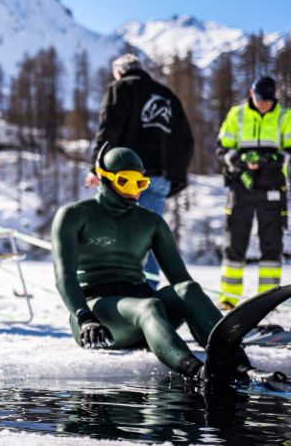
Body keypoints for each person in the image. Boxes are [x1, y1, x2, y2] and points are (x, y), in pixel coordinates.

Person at [54, 146, 282, 386]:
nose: (134, 192)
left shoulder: (150, 222)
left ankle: (242, 367)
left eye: (140, 183)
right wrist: (84, 317)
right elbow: (64, 275)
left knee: (188, 290)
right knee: (149, 306)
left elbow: (181, 281)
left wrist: (206, 317)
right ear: (104, 178)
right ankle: (196, 372)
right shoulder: (74, 215)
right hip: (99, 317)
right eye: (125, 182)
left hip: (144, 314)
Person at [84, 53, 193, 288]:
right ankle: (147, 291)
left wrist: (96, 167)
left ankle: (111, 289)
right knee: (149, 233)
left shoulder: (121, 88)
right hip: (160, 176)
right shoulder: (167, 95)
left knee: (112, 230)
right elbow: (185, 140)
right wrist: (176, 176)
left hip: (124, 176)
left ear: (120, 72)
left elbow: (109, 129)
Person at [217, 76, 291, 310]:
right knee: (235, 240)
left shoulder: (285, 116)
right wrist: (239, 161)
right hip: (241, 186)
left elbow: (289, 150)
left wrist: (272, 159)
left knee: (272, 242)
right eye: (260, 100)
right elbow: (222, 148)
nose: (264, 105)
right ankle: (229, 297)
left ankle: (268, 297)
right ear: (251, 93)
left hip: (272, 186)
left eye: (268, 101)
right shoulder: (236, 114)